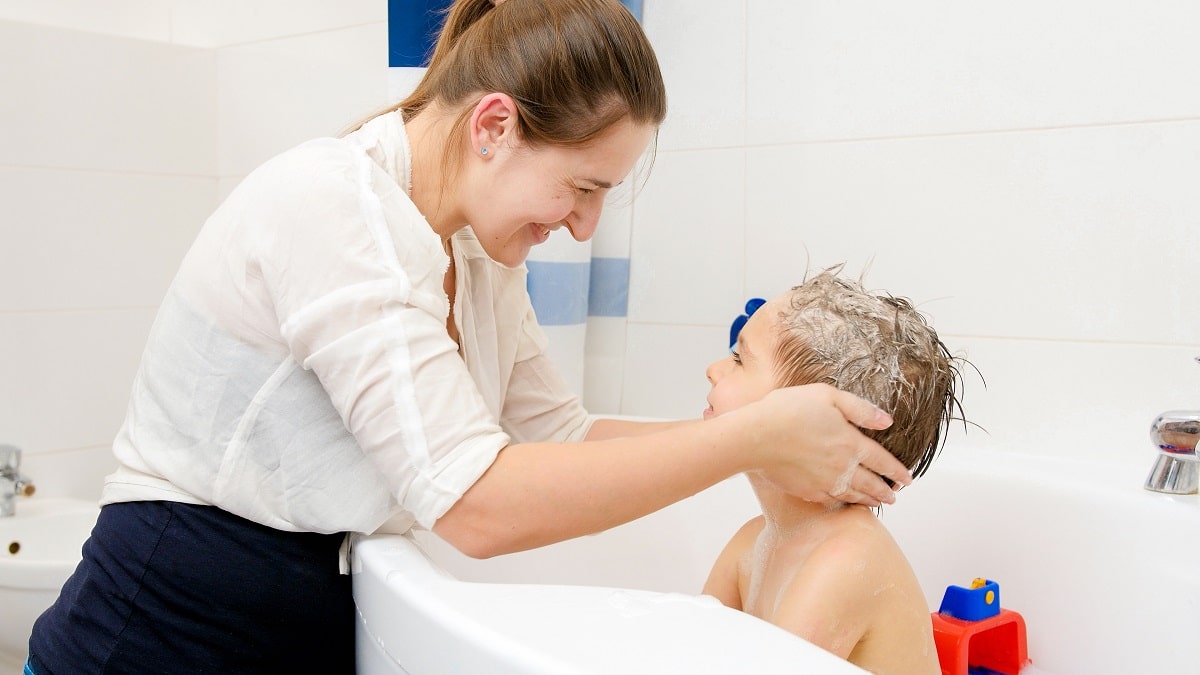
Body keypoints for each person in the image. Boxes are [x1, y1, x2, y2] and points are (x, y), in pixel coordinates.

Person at [27, 2, 912, 672]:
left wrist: (768, 440)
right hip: (154, 636)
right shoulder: (334, 210)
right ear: (494, 125)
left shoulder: (477, 251)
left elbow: (559, 438)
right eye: (583, 186)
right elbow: (477, 505)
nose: (583, 227)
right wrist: (753, 435)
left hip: (296, 633)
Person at [702, 269, 967, 674]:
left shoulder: (843, 563)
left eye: (740, 359)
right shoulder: (752, 542)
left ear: (815, 429)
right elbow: (690, 648)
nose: (715, 368)